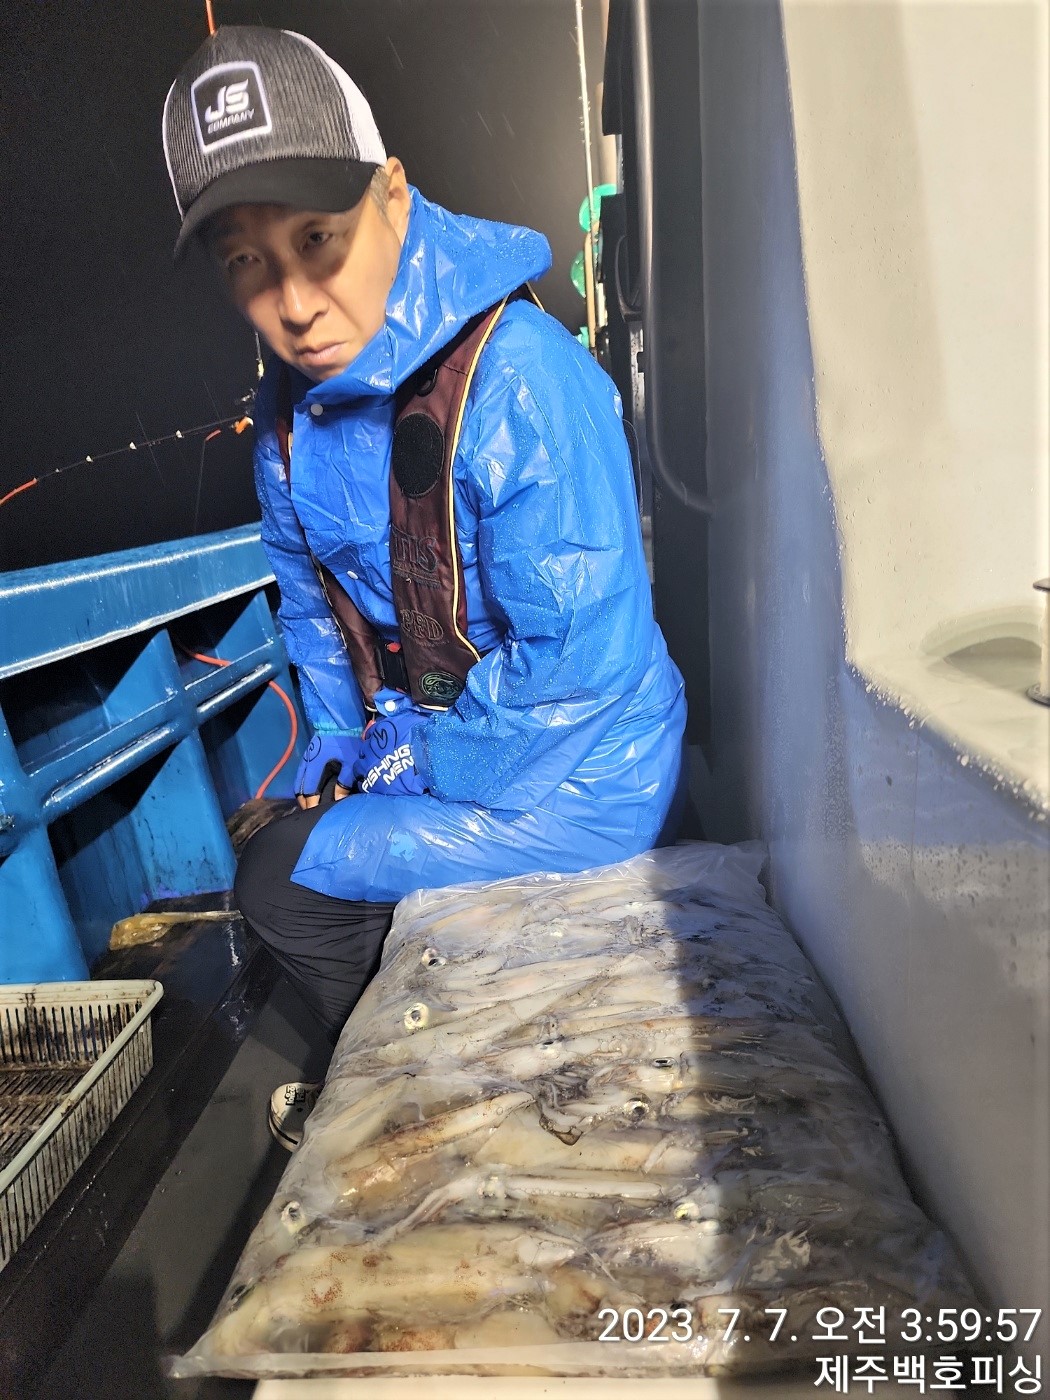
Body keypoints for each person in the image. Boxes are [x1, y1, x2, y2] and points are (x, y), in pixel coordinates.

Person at [162, 24, 686, 1146]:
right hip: (455, 731)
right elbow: (311, 604)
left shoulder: (522, 377)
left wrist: (420, 759)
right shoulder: (286, 422)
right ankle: (426, 1056)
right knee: (304, 832)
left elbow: (577, 672)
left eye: (318, 238)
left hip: (585, 772)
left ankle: (407, 1085)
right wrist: (337, 741)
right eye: (247, 261)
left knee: (278, 882)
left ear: (392, 196)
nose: (294, 302)